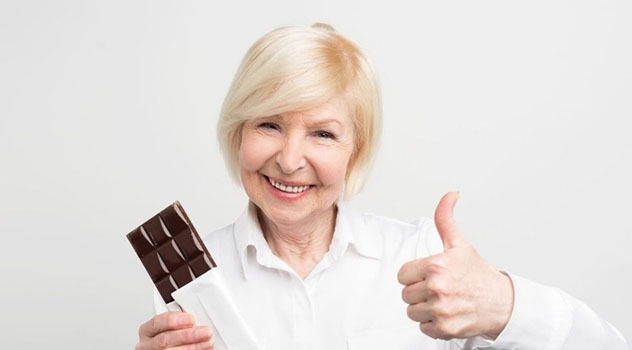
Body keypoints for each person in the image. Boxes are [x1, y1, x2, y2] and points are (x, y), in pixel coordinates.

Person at [135, 23, 627, 350]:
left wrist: (504, 302)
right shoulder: (186, 282)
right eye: (268, 125)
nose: (288, 159)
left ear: (356, 149)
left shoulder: (421, 259)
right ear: (237, 131)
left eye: (323, 134)